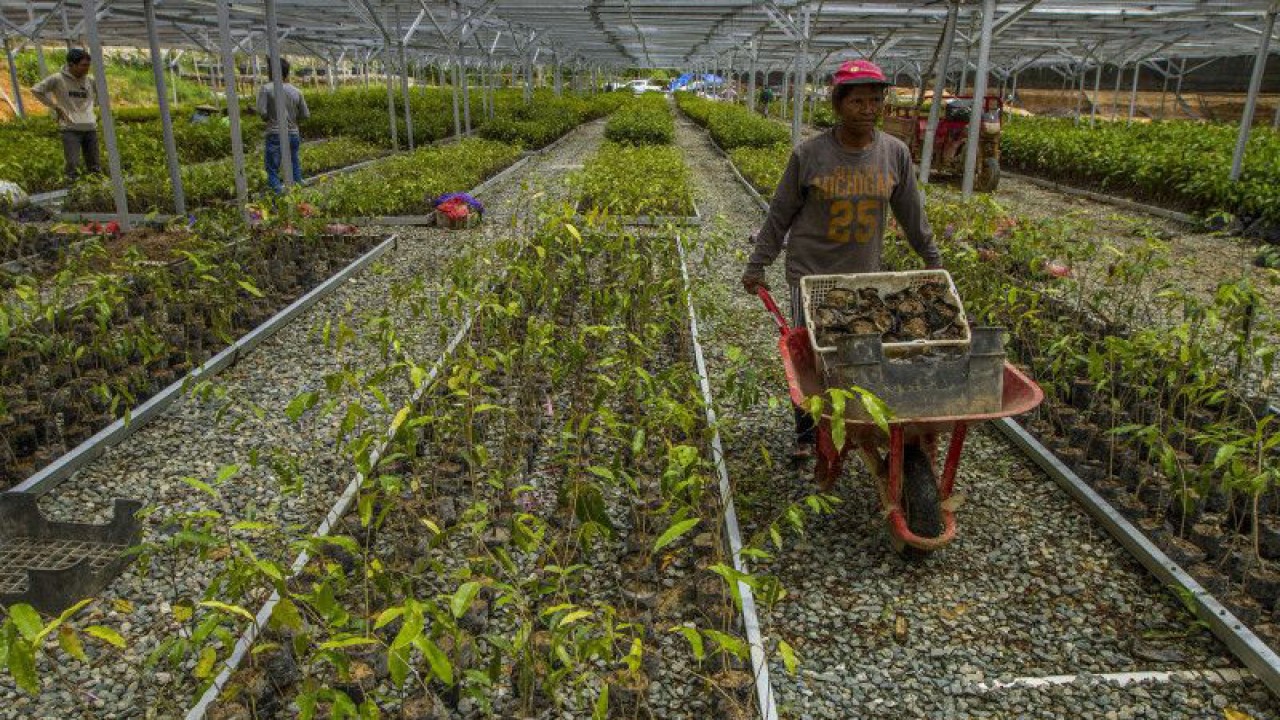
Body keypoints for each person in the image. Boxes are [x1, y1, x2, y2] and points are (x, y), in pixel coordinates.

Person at [740, 59, 943, 460]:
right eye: (859, 101)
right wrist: (757, 264)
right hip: (811, 276)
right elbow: (780, 214)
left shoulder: (894, 154)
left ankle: (857, 419)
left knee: (864, 351)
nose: (869, 108)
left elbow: (913, 218)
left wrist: (935, 264)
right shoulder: (810, 154)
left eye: (875, 100)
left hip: (863, 275)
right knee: (811, 359)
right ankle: (807, 434)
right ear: (838, 104)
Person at [31, 49, 101, 183]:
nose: (87, 68)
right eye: (83, 65)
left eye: (88, 65)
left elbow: (102, 96)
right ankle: (72, 192)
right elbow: (36, 90)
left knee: (95, 165)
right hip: (70, 128)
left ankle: (96, 192)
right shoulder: (57, 79)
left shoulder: (90, 80)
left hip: (90, 127)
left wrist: (93, 110)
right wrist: (55, 106)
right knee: (72, 165)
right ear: (71, 64)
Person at [256, 57, 310, 194]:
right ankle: (299, 195)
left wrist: (270, 117)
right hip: (293, 133)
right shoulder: (296, 91)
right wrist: (292, 118)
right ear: (287, 72)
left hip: (275, 133)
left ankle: (279, 198)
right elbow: (305, 115)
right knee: (293, 163)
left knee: (272, 168)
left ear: (271, 72)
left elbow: (262, 112)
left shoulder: (266, 89)